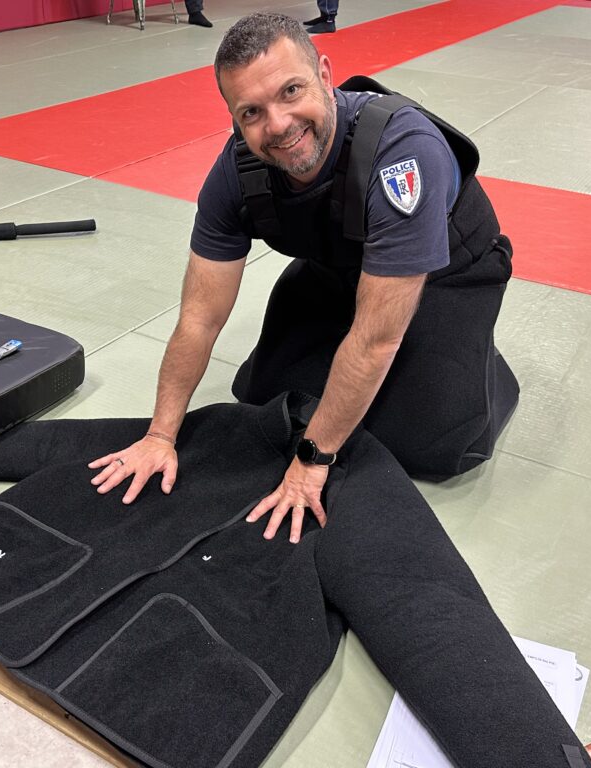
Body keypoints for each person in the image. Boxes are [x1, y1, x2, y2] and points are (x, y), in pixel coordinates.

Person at [90, 13, 518, 542]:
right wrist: (160, 435)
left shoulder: (400, 154)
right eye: (252, 112)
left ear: (325, 73)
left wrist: (312, 462)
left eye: (291, 90)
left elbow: (376, 337)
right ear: (233, 119)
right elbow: (200, 317)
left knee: (436, 443)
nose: (278, 125)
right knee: (260, 395)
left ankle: (477, 357)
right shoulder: (235, 174)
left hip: (449, 273)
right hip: (339, 269)